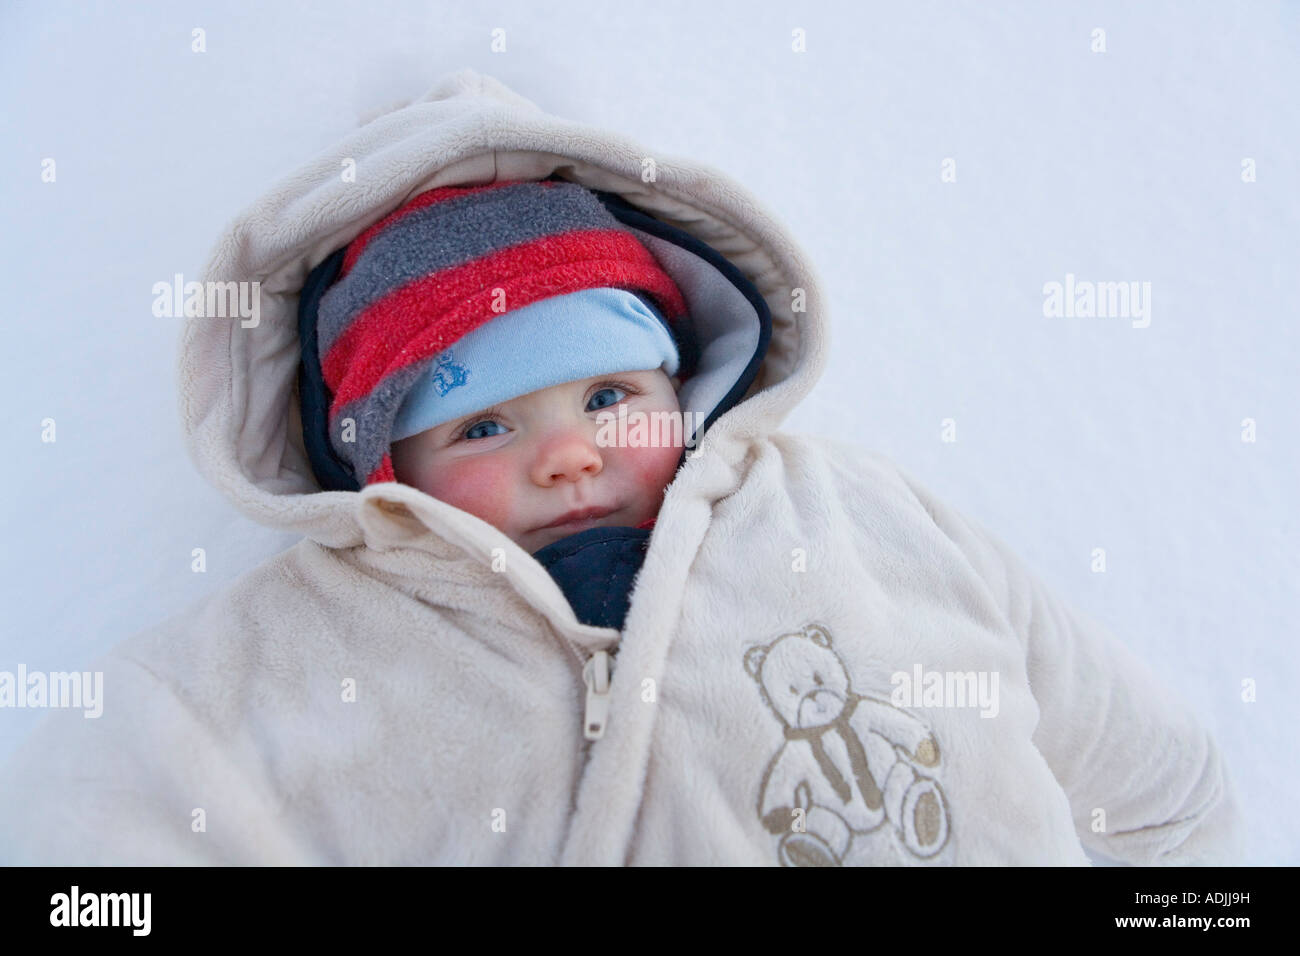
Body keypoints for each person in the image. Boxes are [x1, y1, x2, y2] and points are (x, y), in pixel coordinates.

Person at [0, 68, 1244, 866]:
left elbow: (1158, 785)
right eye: (482, 426)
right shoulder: (301, 661)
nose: (570, 453)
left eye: (610, 395)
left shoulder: (853, 523)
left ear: (679, 386)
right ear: (385, 467)